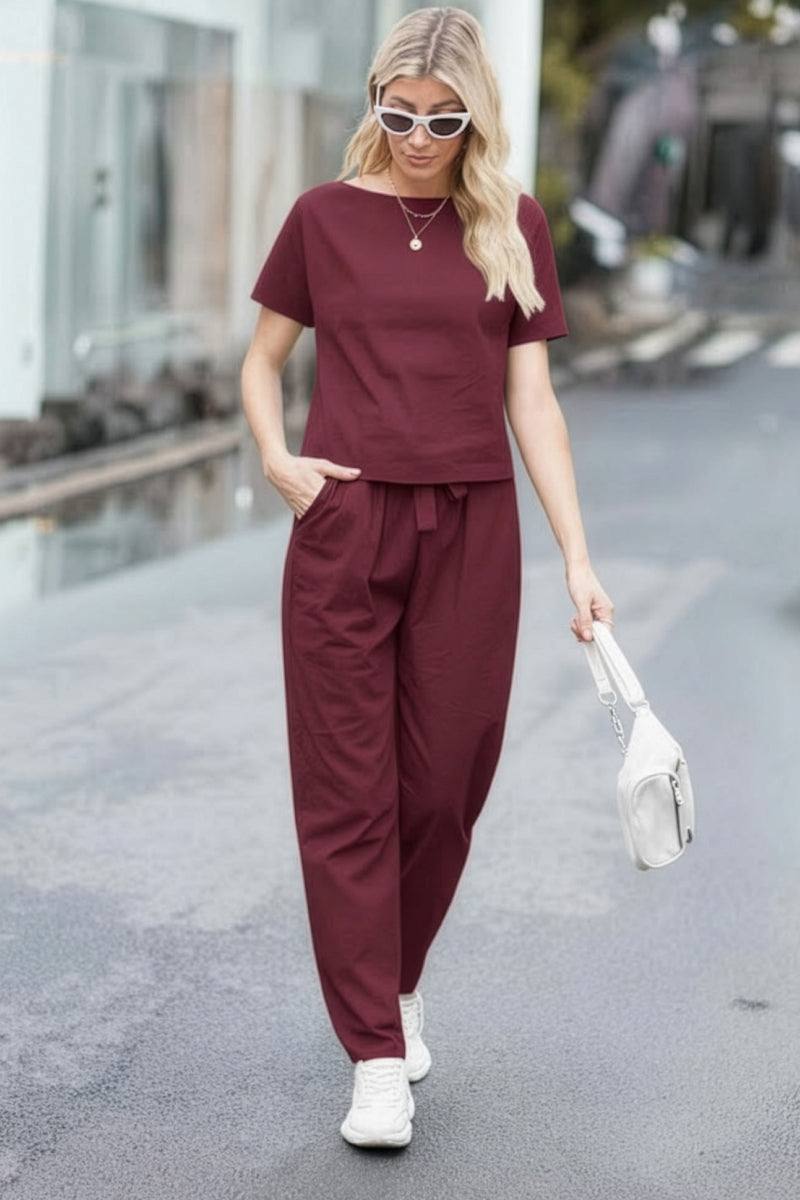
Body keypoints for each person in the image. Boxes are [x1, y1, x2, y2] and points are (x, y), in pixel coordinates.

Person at [240, 5, 614, 1150]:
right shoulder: (320, 220)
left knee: (446, 779)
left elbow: (531, 404)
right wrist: (277, 460)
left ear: (473, 120)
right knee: (347, 795)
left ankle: (394, 975)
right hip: (345, 525)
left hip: (471, 528)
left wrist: (576, 557)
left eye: (441, 119)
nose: (414, 136)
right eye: (395, 113)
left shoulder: (511, 224)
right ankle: (373, 1055)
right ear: (373, 104)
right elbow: (261, 360)